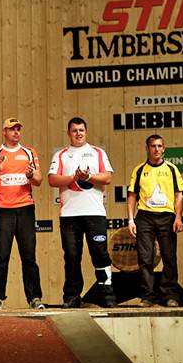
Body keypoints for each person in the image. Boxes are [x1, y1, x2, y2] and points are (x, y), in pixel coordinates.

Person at [48, 117, 117, 308]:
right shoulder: (61, 155)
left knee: (100, 253)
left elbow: (108, 177)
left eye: (81, 130)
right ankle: (72, 296)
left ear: (86, 132)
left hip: (95, 212)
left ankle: (107, 294)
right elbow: (52, 180)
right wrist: (74, 177)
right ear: (68, 133)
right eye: (74, 130)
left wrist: (89, 176)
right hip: (69, 214)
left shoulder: (97, 152)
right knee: (71, 256)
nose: (78, 133)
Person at [0, 117, 43, 310]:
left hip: (26, 208)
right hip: (3, 210)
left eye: (18, 129)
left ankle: (34, 298)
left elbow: (39, 180)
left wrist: (31, 175)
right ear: (4, 132)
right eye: (12, 129)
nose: (16, 132)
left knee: (29, 255)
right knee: (2, 255)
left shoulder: (29, 152)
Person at [126, 134, 183, 308]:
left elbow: (179, 194)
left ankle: (170, 295)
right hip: (145, 217)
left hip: (167, 216)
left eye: (160, 146)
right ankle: (148, 296)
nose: (157, 149)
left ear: (164, 148)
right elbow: (132, 195)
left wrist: (178, 217)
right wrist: (131, 220)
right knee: (145, 258)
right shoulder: (139, 170)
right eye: (153, 146)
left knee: (169, 257)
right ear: (147, 148)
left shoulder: (172, 169)